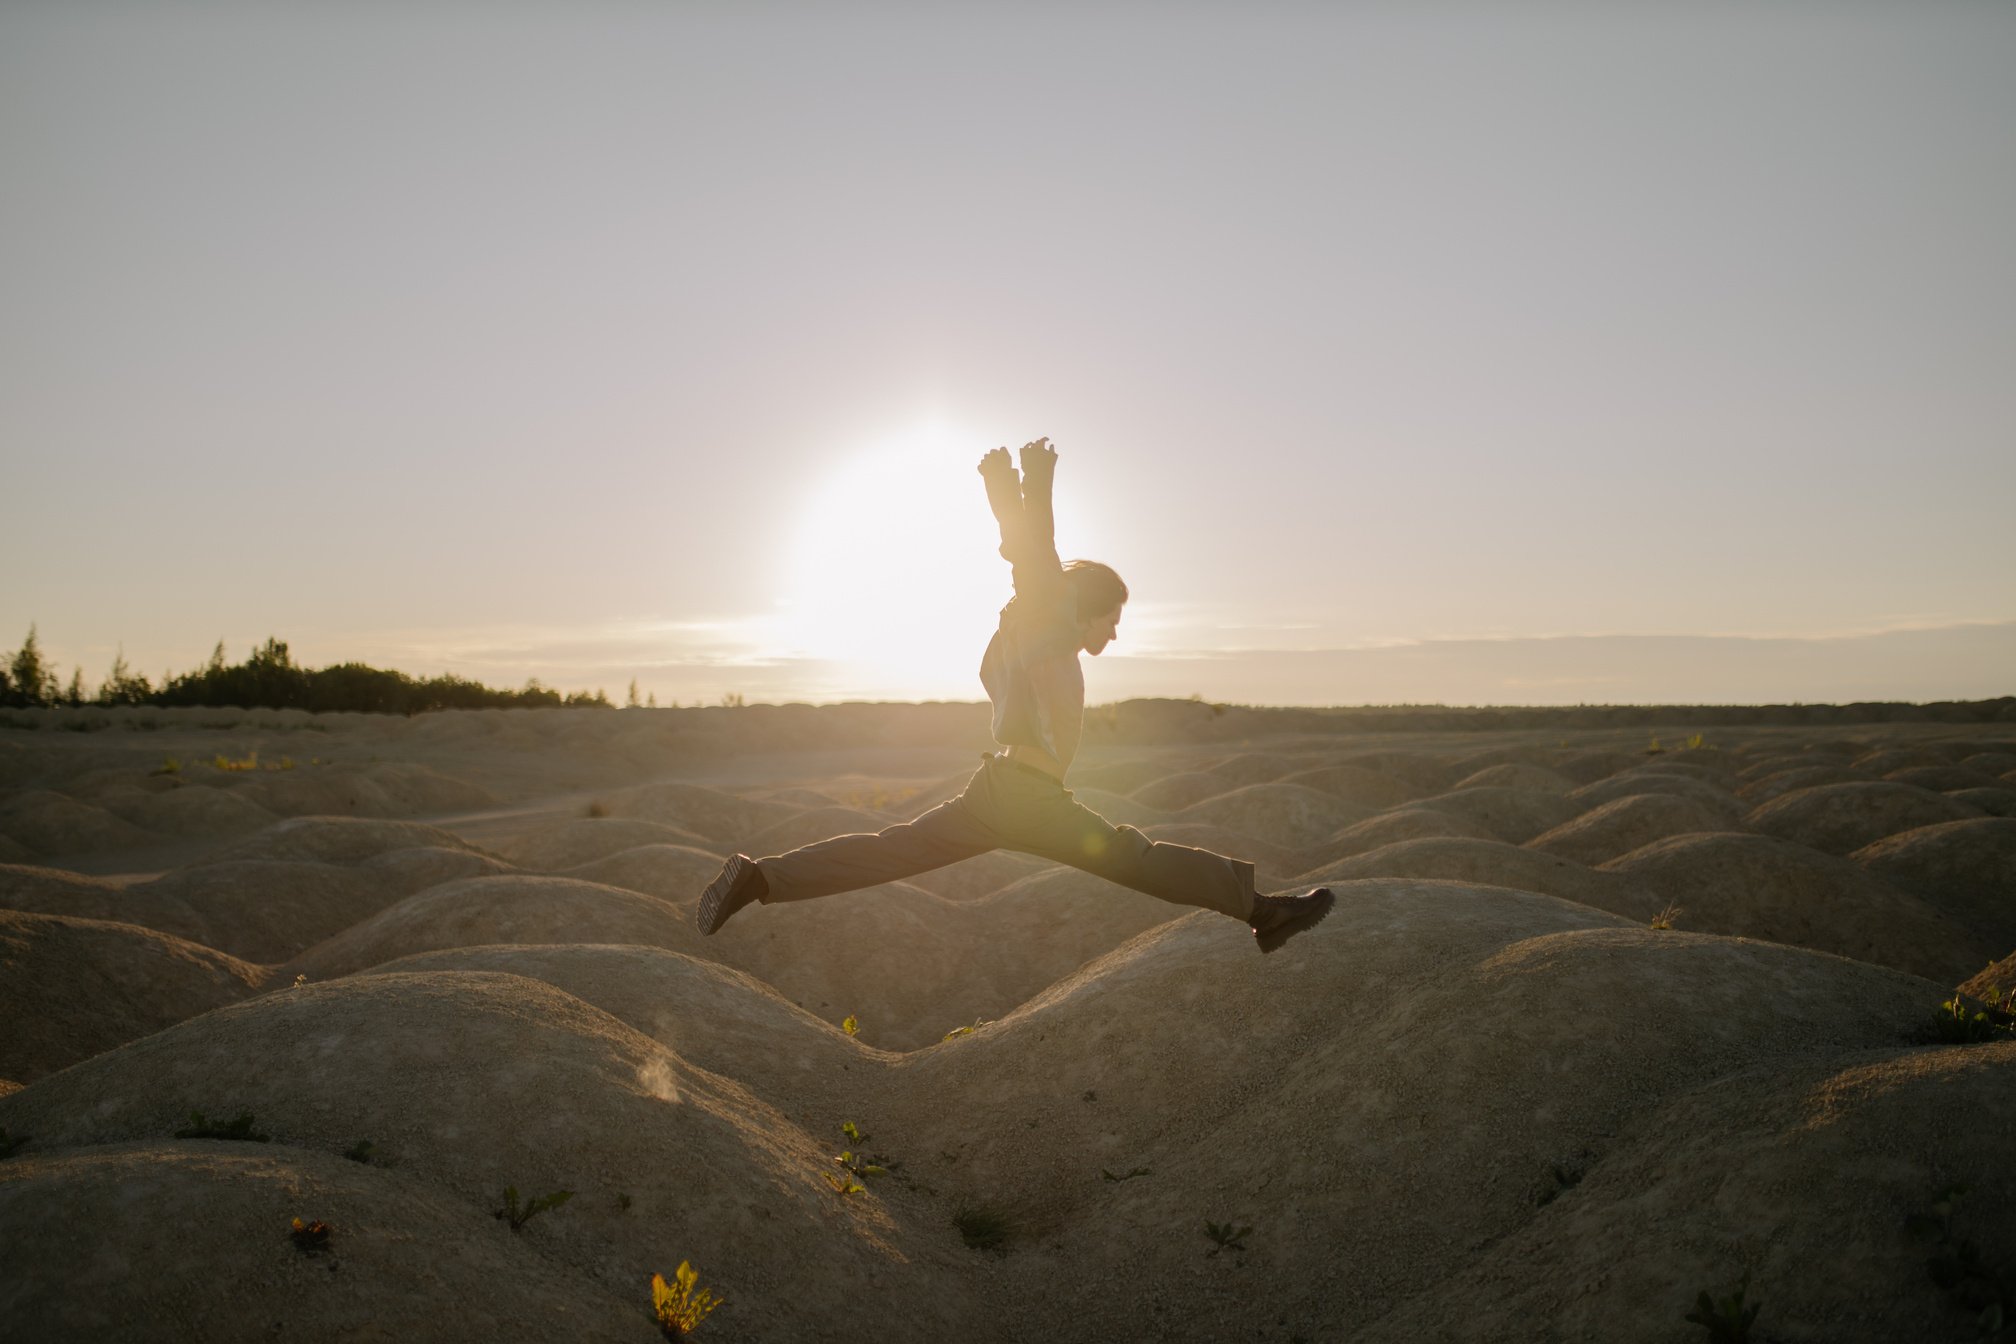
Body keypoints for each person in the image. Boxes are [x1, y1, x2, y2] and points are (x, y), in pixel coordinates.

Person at [697, 437, 1334, 953]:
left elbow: (1027, 560)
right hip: (1028, 798)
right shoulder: (1046, 633)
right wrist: (1034, 481)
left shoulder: (1026, 635)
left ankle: (761, 877)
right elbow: (1035, 560)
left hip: (998, 791)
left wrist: (1006, 491)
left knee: (889, 851)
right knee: (1135, 858)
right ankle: (1261, 911)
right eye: (1110, 618)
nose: (1113, 632)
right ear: (1080, 611)